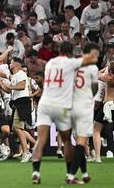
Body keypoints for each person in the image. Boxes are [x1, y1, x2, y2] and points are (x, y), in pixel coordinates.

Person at [31, 41, 100, 184]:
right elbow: (91, 60)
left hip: (44, 103)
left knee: (40, 140)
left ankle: (36, 172)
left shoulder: (49, 63)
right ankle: (71, 174)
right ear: (69, 53)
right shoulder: (70, 63)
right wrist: (93, 53)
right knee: (67, 141)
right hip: (61, 105)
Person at [67, 43, 100, 184]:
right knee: (81, 143)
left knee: (79, 142)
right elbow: (95, 87)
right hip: (84, 106)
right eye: (96, 54)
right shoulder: (92, 68)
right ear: (90, 53)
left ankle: (85, 174)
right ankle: (71, 176)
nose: (97, 58)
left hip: (71, 106)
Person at [0, 58, 33, 163]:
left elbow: (22, 86)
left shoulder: (21, 73)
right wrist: (2, 86)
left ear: (16, 64)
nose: (10, 64)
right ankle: (31, 147)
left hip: (22, 102)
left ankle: (26, 152)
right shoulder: (15, 76)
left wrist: (10, 86)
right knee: (17, 129)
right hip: (17, 103)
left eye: (11, 62)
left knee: (18, 128)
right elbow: (9, 90)